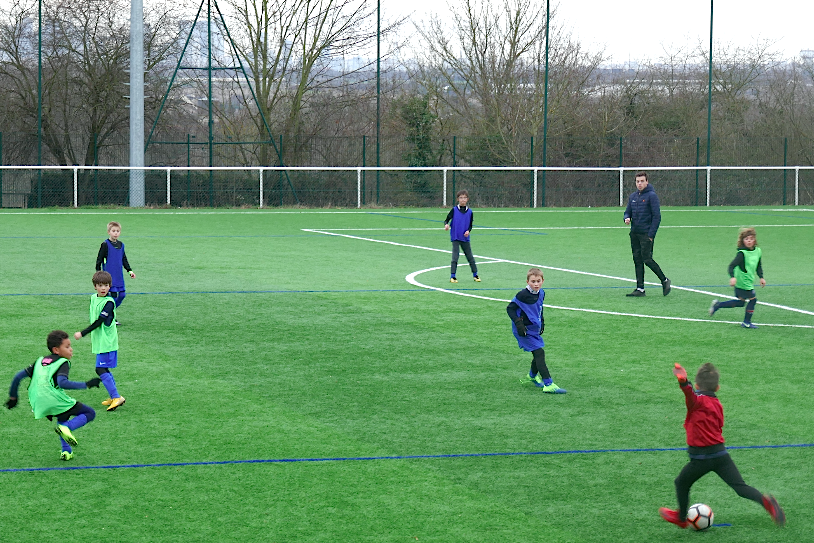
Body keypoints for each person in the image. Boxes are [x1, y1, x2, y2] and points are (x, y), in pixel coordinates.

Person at [659, 362, 785, 528]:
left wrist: (683, 381)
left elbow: (690, 395)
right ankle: (767, 502)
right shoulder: (718, 405)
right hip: (721, 456)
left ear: (697, 385)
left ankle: (682, 518)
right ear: (717, 388)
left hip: (701, 459)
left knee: (681, 483)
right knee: (740, 487)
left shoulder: (696, 402)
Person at [5, 330, 101, 461]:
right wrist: (87, 384)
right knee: (90, 413)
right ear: (56, 350)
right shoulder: (63, 362)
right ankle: (68, 428)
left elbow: (17, 377)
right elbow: (62, 383)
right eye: (67, 347)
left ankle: (66, 451)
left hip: (37, 400)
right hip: (53, 398)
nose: (71, 349)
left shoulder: (39, 361)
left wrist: (13, 397)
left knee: (63, 416)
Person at [506, 268, 566, 394]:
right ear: (527, 281)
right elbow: (510, 309)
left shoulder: (542, 293)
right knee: (539, 353)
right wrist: (518, 324)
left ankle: (532, 376)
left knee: (538, 353)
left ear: (543, 281)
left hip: (533, 329)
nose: (536, 284)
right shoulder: (522, 295)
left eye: (538, 281)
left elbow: (539, 308)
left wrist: (542, 321)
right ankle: (548, 384)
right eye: (533, 281)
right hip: (524, 330)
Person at [74, 271, 126, 411]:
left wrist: (82, 333)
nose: (103, 288)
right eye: (100, 285)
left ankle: (116, 397)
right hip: (99, 341)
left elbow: (99, 321)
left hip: (107, 342)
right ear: (95, 286)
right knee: (103, 368)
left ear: (110, 287)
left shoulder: (109, 303)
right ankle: (114, 396)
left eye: (106, 285)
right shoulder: (93, 298)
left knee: (100, 368)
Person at [623, 172, 670, 297]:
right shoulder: (633, 196)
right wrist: (626, 218)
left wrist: (651, 235)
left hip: (646, 234)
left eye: (642, 181)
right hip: (634, 233)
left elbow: (657, 217)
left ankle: (664, 280)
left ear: (647, 182)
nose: (640, 184)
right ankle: (640, 289)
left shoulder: (651, 196)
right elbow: (627, 212)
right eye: (638, 181)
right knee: (637, 260)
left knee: (647, 259)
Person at [708, 227, 765, 329]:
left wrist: (761, 277)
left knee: (741, 302)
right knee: (753, 300)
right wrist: (732, 277)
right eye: (746, 239)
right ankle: (746, 322)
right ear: (743, 241)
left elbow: (758, 265)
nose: (749, 241)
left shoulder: (758, 251)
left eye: (751, 239)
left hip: (748, 280)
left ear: (754, 240)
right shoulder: (742, 253)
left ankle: (718, 305)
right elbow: (731, 266)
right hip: (742, 281)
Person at [95, 221, 135, 319]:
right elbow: (99, 259)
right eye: (113, 231)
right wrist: (98, 272)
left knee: (122, 294)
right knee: (112, 296)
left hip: (118, 275)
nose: (116, 233)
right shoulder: (105, 244)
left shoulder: (121, 245)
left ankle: (107, 312)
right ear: (109, 232)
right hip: (109, 275)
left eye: (117, 231)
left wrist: (130, 271)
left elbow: (123, 259)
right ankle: (111, 316)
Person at [444, 190, 480, 283]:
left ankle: (475, 275)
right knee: (455, 257)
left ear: (467, 199)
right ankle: (453, 276)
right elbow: (446, 220)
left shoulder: (470, 212)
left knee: (470, 257)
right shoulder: (454, 210)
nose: (462, 200)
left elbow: (470, 225)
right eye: (461, 198)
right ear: (457, 199)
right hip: (456, 237)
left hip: (465, 238)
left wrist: (468, 231)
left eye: (464, 198)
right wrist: (446, 225)